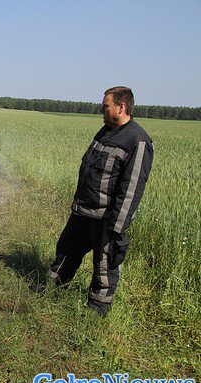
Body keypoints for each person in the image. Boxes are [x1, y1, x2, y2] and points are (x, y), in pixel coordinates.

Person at [48, 86, 153, 315]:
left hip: (106, 218)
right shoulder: (105, 131)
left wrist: (117, 227)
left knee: (105, 264)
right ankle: (53, 288)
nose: (101, 110)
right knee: (66, 249)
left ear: (121, 107)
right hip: (83, 211)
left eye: (105, 106)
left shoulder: (137, 141)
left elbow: (131, 188)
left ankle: (97, 309)